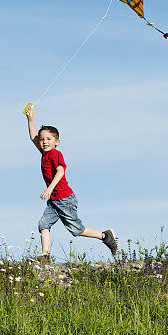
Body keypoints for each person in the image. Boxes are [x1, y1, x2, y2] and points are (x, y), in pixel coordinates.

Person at [25, 104, 118, 262]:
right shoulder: (43, 153)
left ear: (57, 142)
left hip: (64, 199)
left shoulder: (55, 154)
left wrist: (49, 188)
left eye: (49, 139)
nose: (44, 142)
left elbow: (60, 171)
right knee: (43, 224)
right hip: (54, 201)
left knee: (76, 230)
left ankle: (105, 236)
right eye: (42, 140)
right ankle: (45, 256)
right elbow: (33, 136)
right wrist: (30, 118)